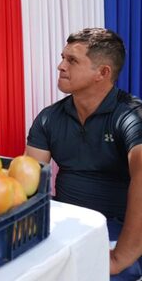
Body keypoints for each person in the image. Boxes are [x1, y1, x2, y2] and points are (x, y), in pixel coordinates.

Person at [26, 28, 142, 279]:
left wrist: (121, 257)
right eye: (63, 57)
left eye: (72, 60)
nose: (60, 66)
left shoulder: (131, 115)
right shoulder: (48, 118)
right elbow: (29, 182)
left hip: (117, 230)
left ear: (102, 73)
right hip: (64, 224)